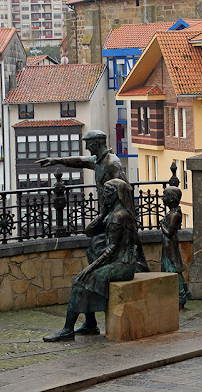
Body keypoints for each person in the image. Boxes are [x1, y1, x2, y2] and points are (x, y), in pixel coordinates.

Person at [37, 129, 149, 335]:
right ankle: (90, 321)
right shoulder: (99, 160)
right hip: (107, 216)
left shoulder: (112, 163)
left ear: (97, 143)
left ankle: (86, 311)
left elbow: (126, 188)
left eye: (88, 143)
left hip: (114, 217)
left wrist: (123, 219)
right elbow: (80, 160)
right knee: (92, 251)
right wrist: (56, 160)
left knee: (93, 264)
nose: (86, 147)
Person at [43, 179, 136, 342]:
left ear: (115, 195)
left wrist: (90, 268)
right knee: (87, 279)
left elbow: (111, 249)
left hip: (123, 265)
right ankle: (90, 324)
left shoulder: (119, 216)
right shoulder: (112, 214)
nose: (103, 196)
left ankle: (67, 330)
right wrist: (103, 213)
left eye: (106, 193)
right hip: (115, 261)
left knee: (81, 282)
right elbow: (90, 231)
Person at [160, 186, 191, 309]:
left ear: (171, 199)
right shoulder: (172, 213)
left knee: (173, 270)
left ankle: (180, 298)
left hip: (170, 245)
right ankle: (180, 296)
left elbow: (169, 233)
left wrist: (161, 226)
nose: (162, 199)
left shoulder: (174, 215)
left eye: (165, 196)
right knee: (171, 269)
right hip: (168, 245)